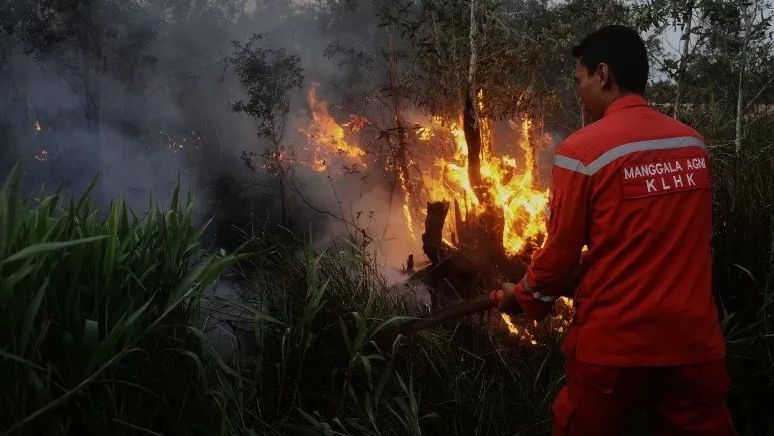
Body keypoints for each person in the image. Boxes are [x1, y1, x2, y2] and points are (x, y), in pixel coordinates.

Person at [490, 25, 735, 435]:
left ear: (602, 74)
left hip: (615, 349)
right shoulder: (693, 145)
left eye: (579, 80)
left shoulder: (582, 152)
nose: (580, 93)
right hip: (693, 346)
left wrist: (523, 298)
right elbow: (667, 240)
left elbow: (557, 259)